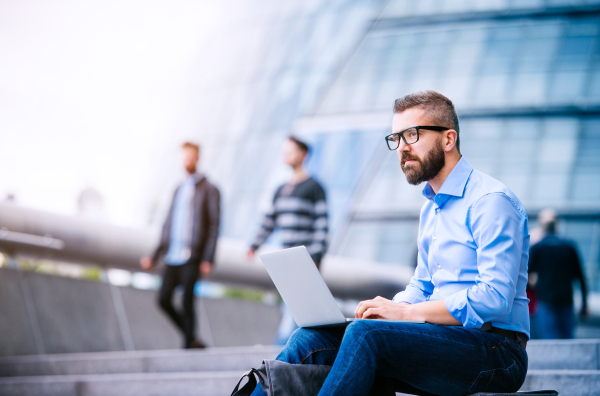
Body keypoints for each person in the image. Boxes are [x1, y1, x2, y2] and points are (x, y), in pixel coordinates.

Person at [250, 90, 530, 396]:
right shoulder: (431, 208)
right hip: (441, 337)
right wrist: (389, 308)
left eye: (412, 135)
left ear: (448, 140)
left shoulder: (490, 201)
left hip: (497, 352)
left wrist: (407, 314)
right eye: (396, 138)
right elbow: (422, 284)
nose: (402, 148)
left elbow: (495, 297)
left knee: (366, 337)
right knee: (310, 338)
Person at [247, 136, 328, 345]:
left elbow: (322, 225)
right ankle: (290, 346)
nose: (286, 156)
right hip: (286, 258)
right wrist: (254, 245)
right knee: (291, 304)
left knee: (299, 306)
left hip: (306, 257)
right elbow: (270, 220)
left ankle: (282, 346)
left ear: (303, 155)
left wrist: (316, 256)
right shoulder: (281, 190)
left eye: (290, 151)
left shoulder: (314, 187)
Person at [140, 141, 220, 349]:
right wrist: (154, 255)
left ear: (197, 158)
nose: (187, 161)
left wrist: (207, 258)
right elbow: (168, 225)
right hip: (172, 255)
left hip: (192, 256)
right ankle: (191, 337)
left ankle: (188, 345)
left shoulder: (209, 189)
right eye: (184, 157)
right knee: (163, 299)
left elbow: (213, 225)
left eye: (190, 156)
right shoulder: (178, 189)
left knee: (187, 301)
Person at [529, 208, 588, 339]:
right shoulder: (569, 246)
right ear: (557, 226)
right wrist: (584, 303)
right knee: (567, 338)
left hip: (545, 299)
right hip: (566, 299)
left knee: (550, 339)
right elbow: (580, 276)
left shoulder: (538, 247)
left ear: (543, 227)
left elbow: (527, 274)